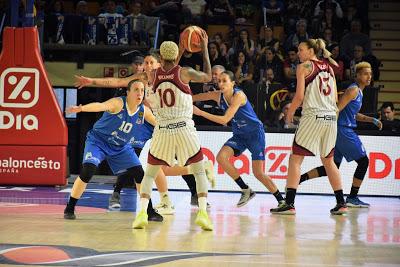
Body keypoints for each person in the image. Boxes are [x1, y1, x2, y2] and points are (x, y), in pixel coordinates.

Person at [75, 52, 215, 213]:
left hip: (163, 122)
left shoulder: (166, 76)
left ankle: (191, 194)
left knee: (172, 161)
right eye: (146, 63)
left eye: (151, 63)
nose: (147, 66)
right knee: (132, 156)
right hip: (144, 121)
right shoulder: (141, 78)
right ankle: (117, 193)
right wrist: (91, 81)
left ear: (159, 65)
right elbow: (117, 81)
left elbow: (176, 64)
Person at [131, 34, 213, 230]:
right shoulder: (185, 72)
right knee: (199, 171)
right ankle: (202, 213)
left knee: (149, 174)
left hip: (163, 128)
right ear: (177, 55)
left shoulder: (152, 75)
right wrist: (205, 49)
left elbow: (168, 70)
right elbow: (208, 77)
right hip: (184, 127)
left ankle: (142, 213)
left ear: (160, 57)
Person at [63, 79, 163, 222]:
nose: (140, 93)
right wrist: (82, 108)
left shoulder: (143, 111)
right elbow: (100, 106)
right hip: (98, 141)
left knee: (139, 174)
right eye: (136, 90)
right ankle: (70, 207)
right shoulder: (118, 103)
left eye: (142, 91)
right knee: (88, 171)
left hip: (121, 147)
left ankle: (149, 211)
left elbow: (157, 123)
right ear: (128, 92)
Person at [270, 39, 348, 215]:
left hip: (314, 116)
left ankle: (289, 203)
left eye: (301, 50)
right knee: (328, 161)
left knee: (295, 159)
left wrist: (289, 114)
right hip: (331, 117)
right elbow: (335, 98)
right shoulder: (329, 67)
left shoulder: (304, 67)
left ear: (312, 51)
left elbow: (299, 96)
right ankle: (341, 202)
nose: (298, 53)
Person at [192, 70, 285, 209]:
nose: (221, 83)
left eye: (225, 81)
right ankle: (246, 190)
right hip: (240, 135)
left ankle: (282, 201)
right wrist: (181, 96)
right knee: (221, 158)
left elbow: (225, 119)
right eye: (219, 81)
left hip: (255, 134)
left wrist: (199, 112)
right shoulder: (218, 95)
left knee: (258, 173)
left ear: (233, 83)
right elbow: (195, 97)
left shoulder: (239, 96)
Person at [299, 62, 383, 207]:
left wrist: (371, 120)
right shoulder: (353, 90)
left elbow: (353, 114)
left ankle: (299, 179)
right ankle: (352, 197)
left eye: (370, 74)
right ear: (357, 75)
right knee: (364, 162)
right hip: (343, 130)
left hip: (339, 131)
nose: (369, 76)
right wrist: (327, 127)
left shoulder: (358, 92)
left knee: (333, 167)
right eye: (365, 73)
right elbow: (337, 109)